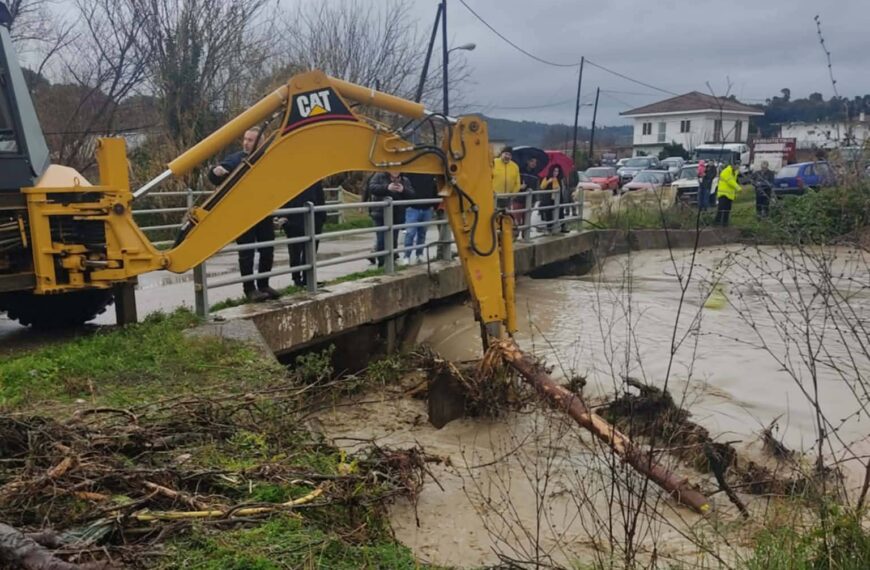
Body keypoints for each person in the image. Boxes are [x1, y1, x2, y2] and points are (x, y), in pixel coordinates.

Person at [208, 127, 279, 302]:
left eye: (251, 140)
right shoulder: (237, 159)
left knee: (267, 249)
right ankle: (249, 289)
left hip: (264, 212)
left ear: (261, 142)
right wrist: (216, 172)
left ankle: (264, 284)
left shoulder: (269, 157)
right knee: (247, 251)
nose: (246, 143)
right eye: (245, 139)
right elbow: (219, 173)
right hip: (243, 213)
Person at [277, 181, 326, 287]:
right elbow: (282, 196)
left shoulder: (315, 179)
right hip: (293, 218)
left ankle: (308, 278)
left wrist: (321, 217)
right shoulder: (290, 178)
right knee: (295, 250)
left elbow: (320, 197)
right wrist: (283, 216)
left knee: (311, 250)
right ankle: (296, 278)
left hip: (314, 217)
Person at [368, 171, 415, 267]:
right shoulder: (379, 176)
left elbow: (412, 195)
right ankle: (382, 264)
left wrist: (403, 190)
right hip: (380, 213)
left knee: (393, 240)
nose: (395, 171)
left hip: (396, 215)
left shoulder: (405, 180)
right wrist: (386, 187)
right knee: (381, 240)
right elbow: (372, 187)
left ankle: (391, 262)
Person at [402, 173, 438, 265]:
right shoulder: (410, 173)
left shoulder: (431, 174)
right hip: (412, 206)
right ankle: (406, 256)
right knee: (410, 233)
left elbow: (435, 187)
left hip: (427, 207)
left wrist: (434, 204)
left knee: (422, 233)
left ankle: (419, 254)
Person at [491, 146, 521, 225]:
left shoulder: (515, 166)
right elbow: (487, 178)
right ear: (501, 154)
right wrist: (491, 191)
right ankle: (494, 233)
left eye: (509, 155)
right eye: (506, 154)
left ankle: (503, 233)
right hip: (494, 197)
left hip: (507, 197)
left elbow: (517, 183)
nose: (507, 156)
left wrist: (512, 194)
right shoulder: (494, 163)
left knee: (505, 217)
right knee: (493, 216)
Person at [539, 164, 565, 233]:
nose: (556, 173)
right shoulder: (547, 178)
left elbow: (561, 188)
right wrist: (548, 182)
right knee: (549, 214)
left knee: (561, 213)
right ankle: (549, 227)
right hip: (549, 199)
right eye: (554, 171)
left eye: (557, 171)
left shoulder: (559, 179)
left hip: (558, 198)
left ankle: (563, 227)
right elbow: (542, 187)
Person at [715, 161, 742, 226]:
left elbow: (735, 181)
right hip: (723, 193)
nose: (738, 167)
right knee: (721, 208)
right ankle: (717, 222)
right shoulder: (726, 171)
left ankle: (725, 222)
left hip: (730, 194)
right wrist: (738, 188)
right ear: (733, 165)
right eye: (737, 165)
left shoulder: (735, 172)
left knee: (727, 209)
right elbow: (730, 181)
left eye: (739, 165)